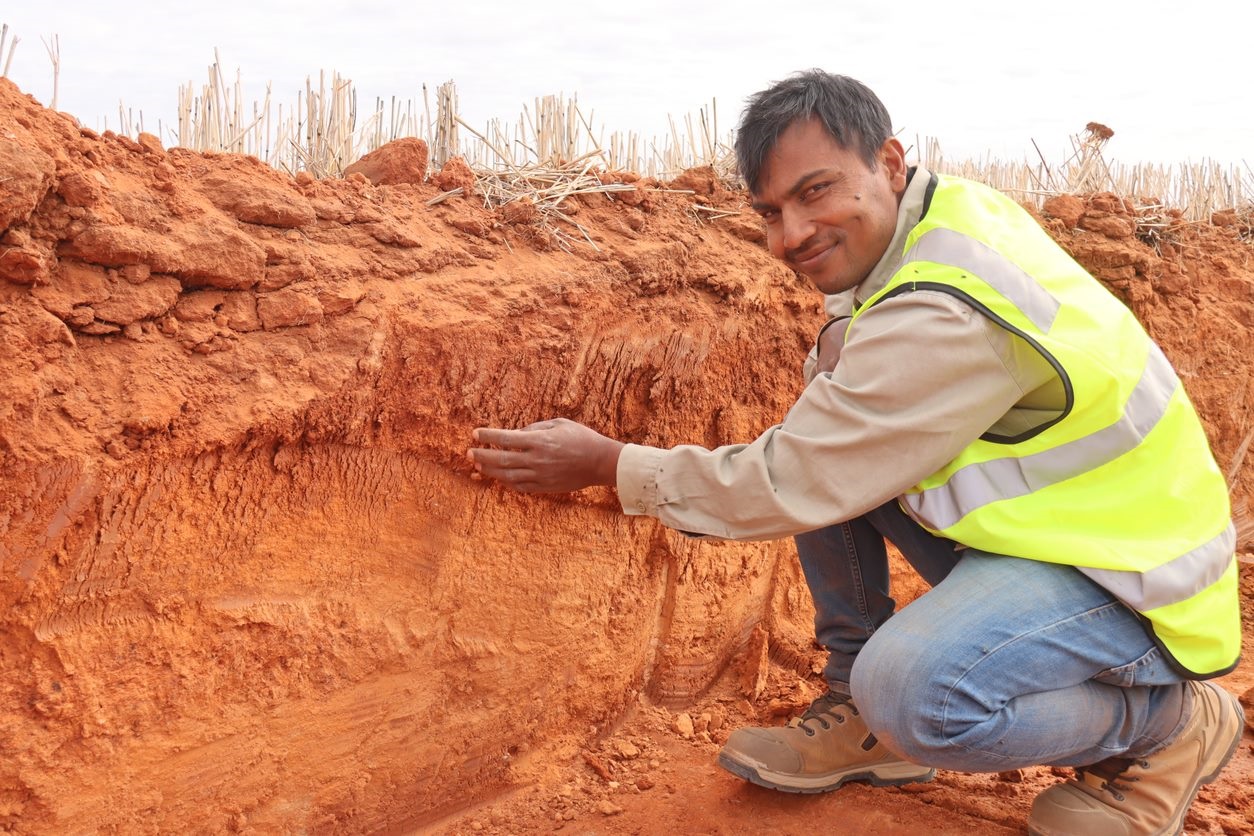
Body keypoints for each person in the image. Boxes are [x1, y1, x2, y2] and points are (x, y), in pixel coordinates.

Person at [466, 69, 1244, 835]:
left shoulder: (946, 302)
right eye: (770, 211)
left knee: (912, 693)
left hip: (1134, 572)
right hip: (1063, 522)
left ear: (891, 162)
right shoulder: (933, 218)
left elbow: (797, 475)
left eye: (816, 192)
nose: (791, 235)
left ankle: (1167, 725)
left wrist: (611, 464)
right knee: (834, 406)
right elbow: (833, 433)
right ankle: (857, 712)